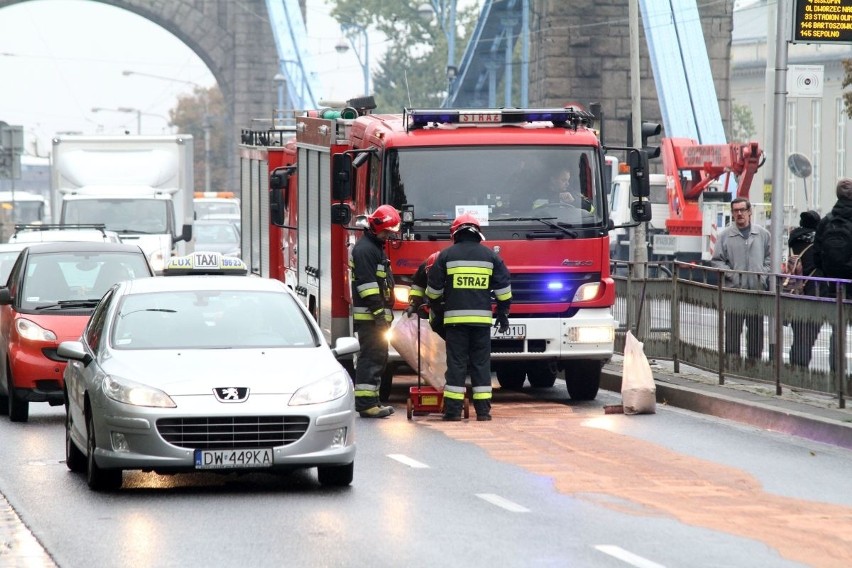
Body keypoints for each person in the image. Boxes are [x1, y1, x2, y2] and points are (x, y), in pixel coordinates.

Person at [426, 213, 512, 421]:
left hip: (455, 323)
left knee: (456, 364)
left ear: (455, 233)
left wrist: (437, 309)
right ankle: (483, 412)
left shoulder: (446, 256)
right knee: (481, 364)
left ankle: (453, 411)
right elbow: (504, 290)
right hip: (481, 323)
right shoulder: (491, 256)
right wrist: (503, 314)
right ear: (478, 233)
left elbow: (433, 291)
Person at [350, 204, 401, 418]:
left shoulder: (373, 247)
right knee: (371, 357)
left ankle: (372, 400)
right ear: (375, 227)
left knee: (378, 357)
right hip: (370, 316)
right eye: (387, 232)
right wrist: (379, 313)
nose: (389, 235)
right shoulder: (365, 250)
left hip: (375, 316)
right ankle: (365, 404)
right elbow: (368, 286)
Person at [709, 197, 771, 359]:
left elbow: (770, 259)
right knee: (732, 332)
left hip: (756, 292)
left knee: (756, 334)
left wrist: (762, 275)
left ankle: (754, 366)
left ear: (749, 212)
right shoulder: (725, 236)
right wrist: (733, 276)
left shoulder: (762, 235)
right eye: (735, 211)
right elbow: (717, 261)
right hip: (734, 293)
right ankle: (731, 366)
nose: (739, 213)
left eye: (742, 210)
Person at [813, 178, 852, 372]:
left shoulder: (827, 220)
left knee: (838, 332)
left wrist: (828, 274)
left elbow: (816, 254)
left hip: (833, 286)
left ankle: (837, 376)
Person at [786, 210, 821, 368]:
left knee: (799, 334)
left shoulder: (794, 241)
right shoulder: (817, 243)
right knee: (809, 335)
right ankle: (800, 370)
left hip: (795, 292)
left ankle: (794, 366)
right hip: (812, 292)